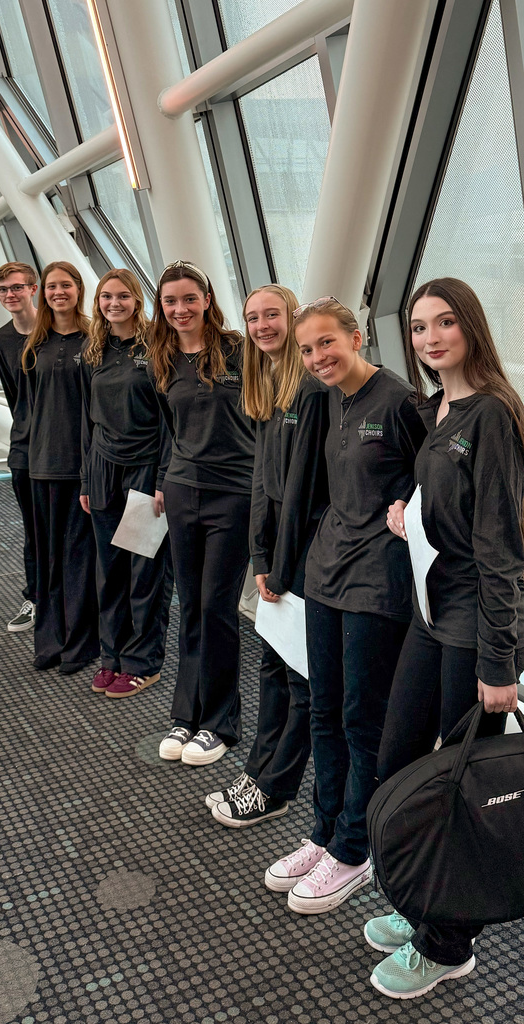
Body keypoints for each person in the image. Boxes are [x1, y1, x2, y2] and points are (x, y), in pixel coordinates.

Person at [365, 278, 524, 999]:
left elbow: (501, 547)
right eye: (421, 328)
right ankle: (425, 901)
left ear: (472, 330)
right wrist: (410, 511)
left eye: (445, 324)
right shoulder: (439, 409)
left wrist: (501, 662)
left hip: (472, 631)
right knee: (400, 759)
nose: (430, 339)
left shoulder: (490, 414)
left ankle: (448, 941)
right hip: (433, 618)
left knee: (461, 787)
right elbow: (446, 502)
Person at [264, 297, 426, 911]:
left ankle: (354, 850)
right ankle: (324, 830)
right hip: (326, 573)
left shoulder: (401, 401)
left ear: (356, 337)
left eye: (327, 343)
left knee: (363, 719)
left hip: (376, 583)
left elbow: (431, 477)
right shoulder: (326, 399)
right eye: (307, 350)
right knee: (324, 710)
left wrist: (407, 506)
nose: (317, 357)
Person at [207, 284, 329, 825]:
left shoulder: (310, 390)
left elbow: (303, 491)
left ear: (292, 317)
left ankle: (276, 786)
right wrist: (261, 557)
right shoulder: (269, 385)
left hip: (306, 555)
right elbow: (264, 481)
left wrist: (279, 567)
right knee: (273, 666)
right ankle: (260, 770)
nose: (261, 326)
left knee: (300, 677)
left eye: (272, 315)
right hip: (279, 554)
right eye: (253, 317)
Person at [148, 260, 254, 765]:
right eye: (171, 301)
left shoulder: (239, 349)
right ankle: (185, 715)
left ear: (207, 299)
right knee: (189, 604)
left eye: (189, 299)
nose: (181, 309)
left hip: (235, 493)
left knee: (217, 606)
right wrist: (162, 480)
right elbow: (169, 428)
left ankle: (219, 723)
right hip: (182, 490)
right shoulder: (162, 357)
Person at [80, 268, 173, 698]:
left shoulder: (157, 347)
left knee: (143, 573)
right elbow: (87, 419)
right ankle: (112, 656)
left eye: (122, 296)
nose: (113, 303)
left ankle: (143, 661)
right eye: (105, 297)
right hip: (102, 471)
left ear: (137, 300)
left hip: (142, 471)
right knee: (109, 572)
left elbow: (169, 422)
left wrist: (160, 478)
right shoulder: (95, 349)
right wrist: (85, 478)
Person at [22, 260, 98, 674]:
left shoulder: (93, 339)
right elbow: (28, 408)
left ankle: (80, 643)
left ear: (77, 290)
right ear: (43, 293)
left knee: (79, 559)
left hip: (81, 466)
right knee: (48, 557)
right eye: (51, 286)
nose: (58, 293)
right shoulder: (36, 344)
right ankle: (49, 639)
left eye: (65, 285)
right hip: (42, 465)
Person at [0, 261, 38, 634]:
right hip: (26, 445)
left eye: (17, 288)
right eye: (4, 290)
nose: (11, 295)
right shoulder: (2, 338)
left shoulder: (60, 332)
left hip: (68, 448)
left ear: (33, 289)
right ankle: (35, 597)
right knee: (34, 528)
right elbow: (13, 394)